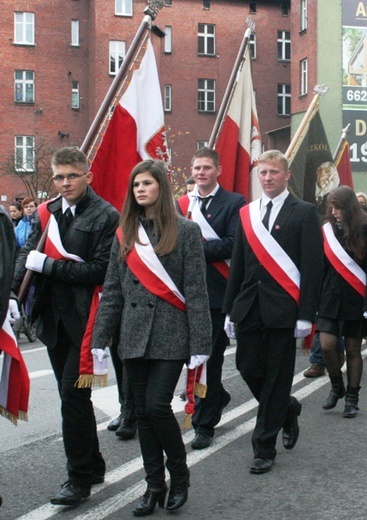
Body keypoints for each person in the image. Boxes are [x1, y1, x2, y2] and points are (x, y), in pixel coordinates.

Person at [91, 160, 210, 515]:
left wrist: (201, 344)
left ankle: (180, 474)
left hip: (172, 334)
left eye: (146, 183)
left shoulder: (186, 232)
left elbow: (197, 292)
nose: (140, 190)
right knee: (142, 413)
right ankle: (154, 484)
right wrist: (101, 337)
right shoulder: (125, 233)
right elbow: (112, 290)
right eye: (135, 185)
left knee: (157, 406)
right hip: (133, 334)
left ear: (161, 186)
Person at [12, 147, 119, 506]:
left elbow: (101, 270)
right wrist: (12, 293)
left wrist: (51, 267)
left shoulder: (107, 216)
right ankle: (94, 462)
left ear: (87, 175)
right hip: (53, 320)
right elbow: (27, 256)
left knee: (73, 397)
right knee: (71, 397)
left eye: (72, 175)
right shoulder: (48, 212)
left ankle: (78, 479)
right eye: (59, 177)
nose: (65, 183)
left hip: (87, 320)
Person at [223, 150, 322, 474]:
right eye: (263, 173)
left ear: (286, 175)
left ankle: (263, 447)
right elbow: (237, 264)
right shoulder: (247, 214)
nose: (267, 178)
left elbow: (312, 266)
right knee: (247, 367)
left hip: (284, 308)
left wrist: (307, 314)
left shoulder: (304, 212)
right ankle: (288, 409)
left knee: (278, 376)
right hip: (249, 306)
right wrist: (229, 311)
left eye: (273, 173)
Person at [175, 148, 246, 451]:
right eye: (196, 167)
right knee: (191, 355)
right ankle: (215, 397)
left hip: (218, 293)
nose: (201, 172)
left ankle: (204, 424)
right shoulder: (180, 204)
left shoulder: (234, 202)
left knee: (209, 358)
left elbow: (232, 244)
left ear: (217, 169)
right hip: (185, 293)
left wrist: (192, 249)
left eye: (206, 167)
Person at [318, 187, 367, 416]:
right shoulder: (326, 229)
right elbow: (321, 265)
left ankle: (352, 398)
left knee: (353, 348)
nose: (334, 212)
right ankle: (337, 386)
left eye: (339, 208)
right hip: (330, 294)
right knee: (326, 345)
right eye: (332, 207)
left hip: (356, 295)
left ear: (350, 207)